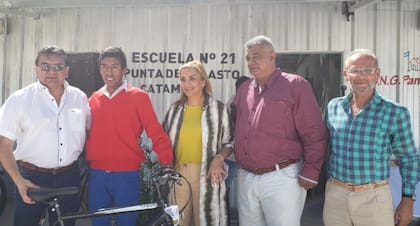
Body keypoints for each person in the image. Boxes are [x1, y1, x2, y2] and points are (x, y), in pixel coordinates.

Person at [231, 35, 328, 226]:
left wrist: (311, 169)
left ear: (272, 56)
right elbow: (234, 126)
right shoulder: (244, 89)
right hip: (247, 177)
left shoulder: (295, 85)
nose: (252, 62)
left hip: (281, 177)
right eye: (248, 58)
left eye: (257, 56)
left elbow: (314, 132)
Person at [323, 49, 418, 226]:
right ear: (346, 74)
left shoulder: (395, 112)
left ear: (377, 74)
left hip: (374, 198)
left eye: (368, 70)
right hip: (336, 195)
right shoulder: (333, 107)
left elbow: (409, 158)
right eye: (355, 70)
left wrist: (407, 200)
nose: (361, 76)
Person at [0, 46, 90, 226]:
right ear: (36, 69)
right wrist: (19, 181)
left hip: (70, 175)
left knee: (65, 223)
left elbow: (90, 131)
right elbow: (3, 145)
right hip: (32, 178)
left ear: (66, 70)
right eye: (45, 66)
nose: (51, 72)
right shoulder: (20, 99)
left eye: (58, 67)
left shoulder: (79, 98)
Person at [85, 46, 173, 226]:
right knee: (98, 223)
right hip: (97, 175)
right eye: (104, 66)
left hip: (127, 175)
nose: (109, 71)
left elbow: (154, 130)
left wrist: (167, 162)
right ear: (99, 69)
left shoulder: (138, 97)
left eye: (115, 66)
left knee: (127, 222)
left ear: (125, 69)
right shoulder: (93, 98)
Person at [163, 60, 233, 226]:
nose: (186, 84)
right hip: (178, 175)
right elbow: (163, 143)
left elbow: (229, 144)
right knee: (176, 223)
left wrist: (218, 159)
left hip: (208, 175)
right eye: (183, 79)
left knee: (208, 221)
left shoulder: (219, 110)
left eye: (192, 78)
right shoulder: (174, 110)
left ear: (203, 82)